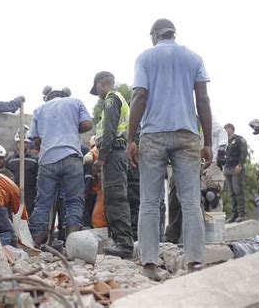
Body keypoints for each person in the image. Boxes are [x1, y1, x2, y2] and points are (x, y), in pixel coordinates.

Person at [127, 18, 212, 280]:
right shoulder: (193, 58)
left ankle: (150, 264)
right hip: (187, 134)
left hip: (153, 135)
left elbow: (139, 96)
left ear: (154, 35)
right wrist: (207, 141)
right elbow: (203, 99)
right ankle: (195, 262)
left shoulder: (145, 58)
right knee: (190, 201)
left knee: (150, 202)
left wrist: (132, 138)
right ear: (174, 34)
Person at [28, 86, 92, 246]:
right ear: (65, 95)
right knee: (74, 201)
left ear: (47, 97)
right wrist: (70, 128)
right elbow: (87, 124)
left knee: (43, 202)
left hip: (47, 160)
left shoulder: (38, 110)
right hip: (72, 157)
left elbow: (35, 139)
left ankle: (35, 243)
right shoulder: (75, 102)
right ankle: (73, 243)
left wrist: (49, 137)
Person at [90, 71, 134, 258]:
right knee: (114, 198)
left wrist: (101, 158)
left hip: (113, 153)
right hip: (117, 153)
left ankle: (124, 244)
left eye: (97, 89)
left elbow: (109, 131)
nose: (98, 94)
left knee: (115, 198)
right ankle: (120, 242)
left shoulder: (111, 99)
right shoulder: (120, 99)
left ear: (102, 84)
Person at [6, 126, 39, 216]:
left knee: (29, 214)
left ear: (28, 144)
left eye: (24, 143)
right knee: (14, 214)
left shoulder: (34, 160)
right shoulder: (10, 160)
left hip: (30, 195)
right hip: (14, 194)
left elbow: (38, 178)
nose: (21, 145)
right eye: (19, 142)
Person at [223, 123, 248, 223]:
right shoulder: (225, 142)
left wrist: (240, 164)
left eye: (227, 128)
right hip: (227, 168)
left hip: (236, 167)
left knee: (238, 191)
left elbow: (244, 151)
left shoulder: (238, 139)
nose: (225, 130)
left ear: (232, 129)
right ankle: (234, 214)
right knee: (231, 193)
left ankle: (242, 214)